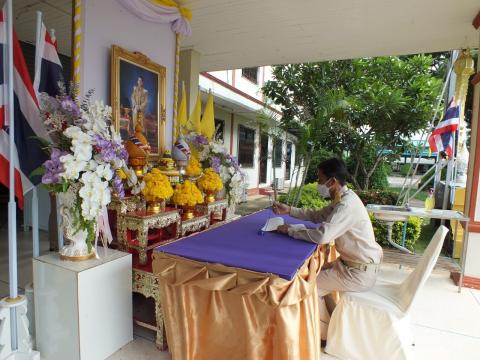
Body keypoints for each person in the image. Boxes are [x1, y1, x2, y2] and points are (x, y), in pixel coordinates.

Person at [272, 158, 383, 339]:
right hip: (352, 266)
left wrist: (290, 230)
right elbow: (318, 215)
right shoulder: (342, 198)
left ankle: (322, 336)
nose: (318, 183)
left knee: (303, 288)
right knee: (309, 274)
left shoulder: (346, 205)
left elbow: (323, 236)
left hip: (358, 273)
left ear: (332, 182)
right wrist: (289, 210)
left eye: (320, 178)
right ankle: (333, 326)